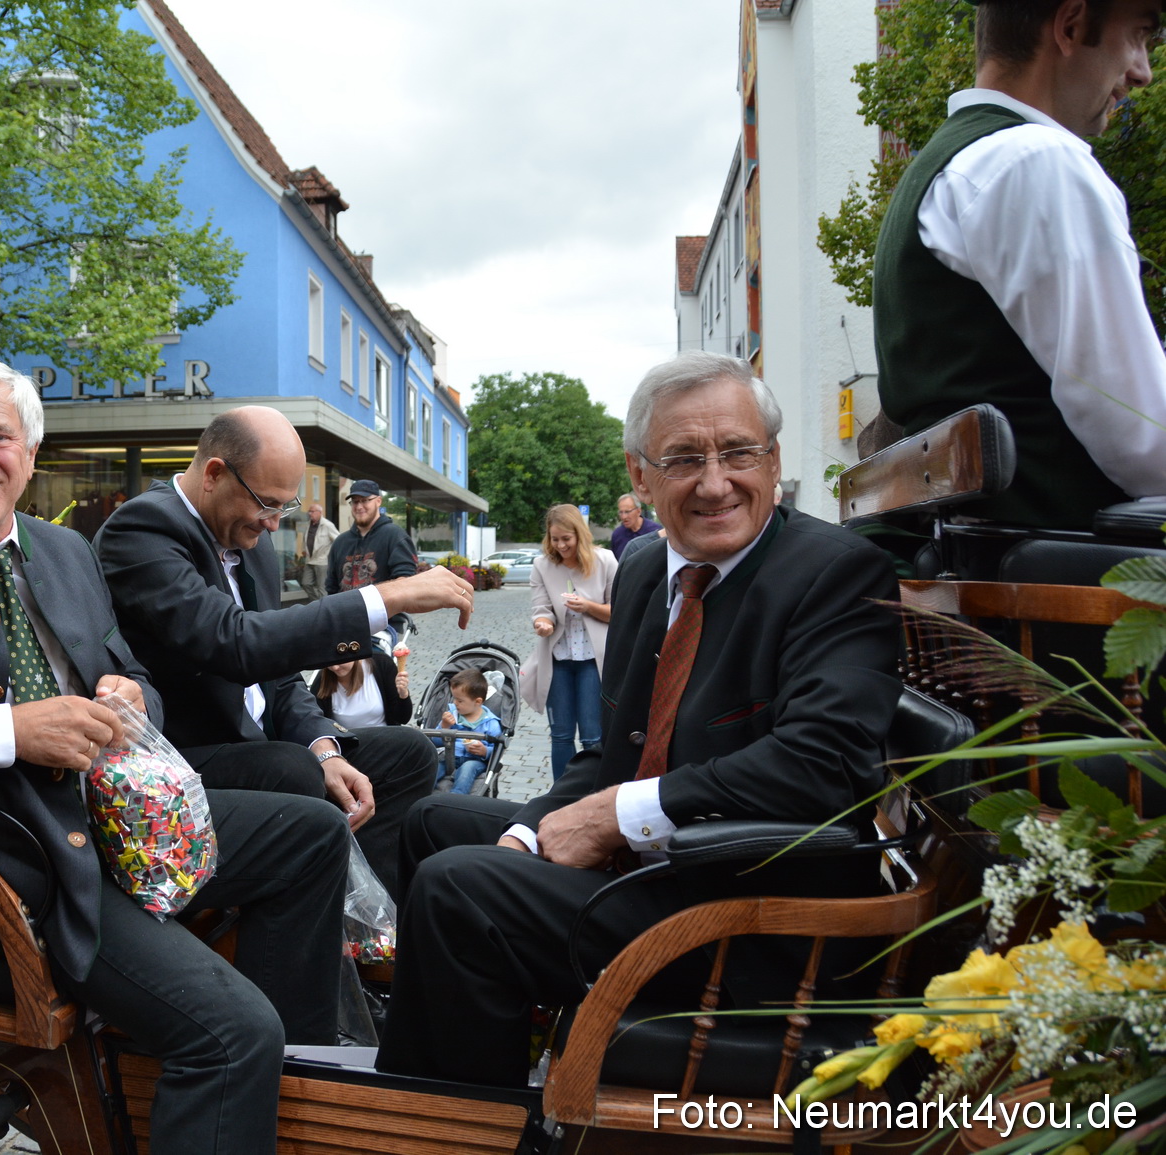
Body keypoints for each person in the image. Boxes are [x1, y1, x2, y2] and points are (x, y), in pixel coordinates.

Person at [0, 359, 350, 1155]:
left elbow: (134, 673)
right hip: (16, 876)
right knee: (230, 1031)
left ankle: (293, 1097)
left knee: (312, 830)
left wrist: (131, 696)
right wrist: (6, 731)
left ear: (31, 453)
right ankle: (229, 1065)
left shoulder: (66, 552)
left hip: (118, 827)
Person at [374, 350, 902, 1088]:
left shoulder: (836, 574)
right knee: (431, 821)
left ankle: (468, 1123)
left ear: (774, 458)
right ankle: (437, 1073)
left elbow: (821, 768)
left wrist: (615, 816)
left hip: (748, 915)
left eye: (739, 452)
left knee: (461, 891)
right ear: (640, 475)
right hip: (662, 870)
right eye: (685, 458)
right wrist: (535, 828)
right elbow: (622, 748)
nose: (716, 482)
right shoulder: (653, 569)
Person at [96, 406, 474, 896]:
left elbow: (278, 670)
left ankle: (373, 924)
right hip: (187, 759)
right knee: (290, 768)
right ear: (214, 474)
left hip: (264, 745)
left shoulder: (245, 536)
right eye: (267, 504)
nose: (274, 525)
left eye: (285, 508)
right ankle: (324, 930)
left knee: (409, 752)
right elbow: (237, 643)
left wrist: (323, 746)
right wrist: (387, 595)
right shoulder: (143, 530)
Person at [872, 0, 1166, 529]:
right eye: (1139, 36)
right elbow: (1145, 435)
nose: (1143, 71)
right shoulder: (1037, 161)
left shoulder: (949, 165)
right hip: (1059, 575)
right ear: (1072, 25)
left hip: (981, 556)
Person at [523, 504, 617, 780]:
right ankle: (560, 797)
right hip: (558, 658)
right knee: (561, 735)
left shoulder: (606, 561)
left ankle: (592, 792)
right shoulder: (542, 565)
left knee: (592, 736)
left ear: (579, 534)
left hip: (592, 659)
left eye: (566, 538)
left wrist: (587, 606)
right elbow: (541, 608)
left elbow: (619, 611)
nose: (561, 545)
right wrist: (543, 623)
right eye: (555, 539)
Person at [327, 479, 419, 650]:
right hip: (346, 627)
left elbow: (405, 582)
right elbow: (331, 587)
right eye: (355, 501)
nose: (359, 506)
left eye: (364, 500)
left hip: (384, 626)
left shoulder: (395, 536)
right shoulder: (341, 542)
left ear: (378, 501)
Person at [436, 669, 504, 796]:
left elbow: (497, 750)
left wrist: (484, 751)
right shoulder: (452, 715)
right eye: (454, 698)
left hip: (475, 760)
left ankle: (456, 796)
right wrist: (444, 726)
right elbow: (434, 742)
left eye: (460, 701)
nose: (455, 703)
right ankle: (421, 790)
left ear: (477, 701)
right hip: (450, 755)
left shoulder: (490, 723)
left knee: (467, 769)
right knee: (433, 767)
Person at [315, 652, 411, 729]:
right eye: (329, 662)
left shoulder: (382, 664)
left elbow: (402, 718)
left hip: (384, 740)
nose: (335, 667)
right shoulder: (322, 680)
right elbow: (316, 723)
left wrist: (403, 694)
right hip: (347, 745)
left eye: (340, 660)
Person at [296, 502, 338, 602]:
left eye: (312, 511)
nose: (310, 514)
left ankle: (324, 609)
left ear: (320, 512)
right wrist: (303, 549)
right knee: (306, 583)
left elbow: (338, 540)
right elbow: (305, 539)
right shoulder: (308, 525)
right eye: (309, 512)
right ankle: (317, 604)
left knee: (321, 588)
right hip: (309, 560)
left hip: (322, 561)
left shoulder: (327, 525)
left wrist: (331, 555)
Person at [608, 493, 661, 560]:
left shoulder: (655, 531)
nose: (624, 517)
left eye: (627, 512)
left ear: (638, 511)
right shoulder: (617, 534)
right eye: (621, 512)